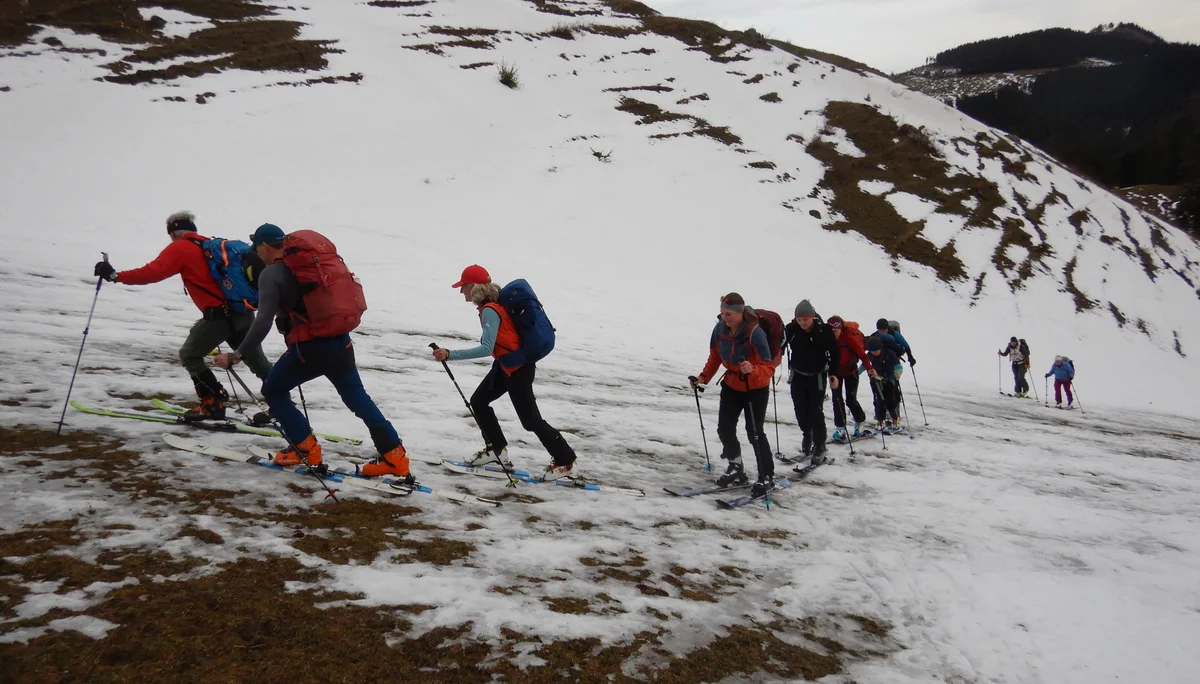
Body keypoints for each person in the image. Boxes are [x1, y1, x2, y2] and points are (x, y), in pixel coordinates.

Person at [212, 224, 411, 479]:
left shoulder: (272, 273)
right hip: (341, 343)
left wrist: (236, 355)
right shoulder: (314, 267)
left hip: (310, 349)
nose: (256, 253)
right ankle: (394, 457)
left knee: (273, 389)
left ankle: (304, 449)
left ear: (263, 245)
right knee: (358, 399)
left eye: (257, 248)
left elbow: (262, 322)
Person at [92, 211, 272, 422]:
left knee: (190, 355)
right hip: (242, 312)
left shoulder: (180, 247)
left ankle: (212, 403)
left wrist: (116, 276)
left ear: (173, 233)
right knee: (257, 362)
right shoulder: (210, 245)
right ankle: (281, 403)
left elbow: (152, 273)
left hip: (219, 317)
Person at [432, 265, 578, 481]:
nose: (461, 291)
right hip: (506, 365)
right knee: (479, 401)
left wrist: (450, 354)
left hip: (518, 369)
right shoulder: (492, 306)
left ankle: (566, 462)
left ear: (473, 287)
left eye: (463, 286)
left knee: (531, 421)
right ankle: (496, 450)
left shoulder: (490, 310)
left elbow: (485, 348)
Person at [692, 293, 776, 495]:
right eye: (722, 313)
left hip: (755, 387)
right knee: (725, 428)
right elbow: (715, 356)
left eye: (728, 314)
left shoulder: (755, 333)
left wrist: (753, 370)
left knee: (755, 433)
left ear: (740, 313)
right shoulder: (719, 329)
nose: (725, 318)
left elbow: (769, 366)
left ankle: (766, 476)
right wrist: (703, 378)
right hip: (731, 384)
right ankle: (736, 466)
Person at [783, 300, 840, 466]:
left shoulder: (824, 331)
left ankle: (820, 445)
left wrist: (834, 374)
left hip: (817, 376)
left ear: (812, 318)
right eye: (799, 320)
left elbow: (835, 353)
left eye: (805, 320)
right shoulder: (791, 329)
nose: (802, 323)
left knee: (816, 410)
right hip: (798, 375)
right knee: (800, 410)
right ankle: (807, 434)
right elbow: (780, 346)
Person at [827, 316, 877, 443]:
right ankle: (840, 427)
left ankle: (860, 422)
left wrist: (870, 369)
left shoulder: (849, 338)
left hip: (851, 372)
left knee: (850, 399)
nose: (833, 334)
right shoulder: (827, 340)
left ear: (841, 329)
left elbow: (863, 355)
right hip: (835, 373)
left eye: (835, 332)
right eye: (831, 332)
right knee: (836, 400)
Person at [863, 337, 903, 430]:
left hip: (889, 380)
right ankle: (880, 420)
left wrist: (898, 372)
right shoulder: (870, 355)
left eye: (877, 350)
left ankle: (894, 418)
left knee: (890, 401)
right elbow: (864, 365)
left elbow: (898, 366)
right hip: (875, 380)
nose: (875, 352)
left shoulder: (890, 353)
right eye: (872, 350)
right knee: (878, 401)